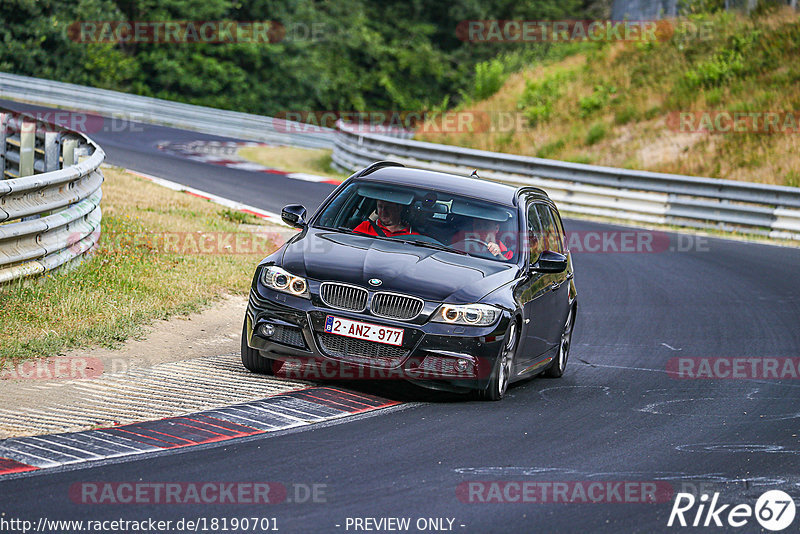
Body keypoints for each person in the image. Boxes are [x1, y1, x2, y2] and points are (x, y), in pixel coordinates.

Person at [353, 199, 418, 237]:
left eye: (388, 207)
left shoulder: (413, 236)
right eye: (380, 207)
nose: (383, 211)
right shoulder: (366, 227)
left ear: (399, 208)